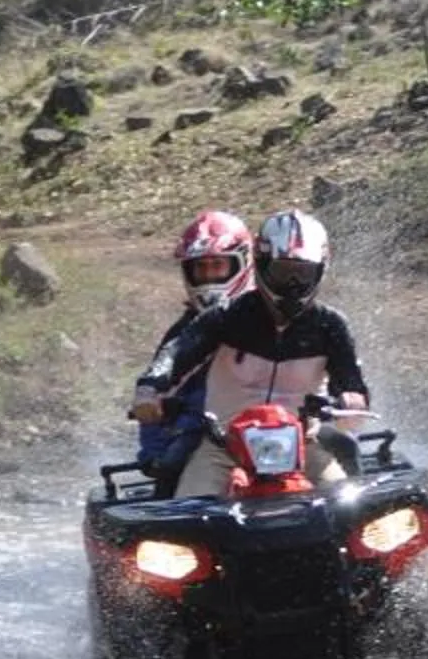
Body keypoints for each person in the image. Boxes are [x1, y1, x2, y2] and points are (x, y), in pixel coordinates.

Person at [131, 209, 368, 497]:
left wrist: (353, 399)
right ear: (261, 265)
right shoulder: (225, 316)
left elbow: (351, 382)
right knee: (186, 510)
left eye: (302, 273)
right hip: (224, 448)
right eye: (282, 272)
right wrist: (150, 388)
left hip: (304, 446)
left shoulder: (331, 325)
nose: (292, 284)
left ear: (320, 271)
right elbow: (177, 352)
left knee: (351, 502)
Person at [134, 210, 253, 481]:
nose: (208, 276)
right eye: (201, 268)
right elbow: (160, 376)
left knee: (341, 450)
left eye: (217, 266)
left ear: (243, 263)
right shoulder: (185, 331)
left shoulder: (273, 317)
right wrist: (148, 397)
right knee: (171, 464)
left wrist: (338, 398)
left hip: (281, 426)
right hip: (210, 432)